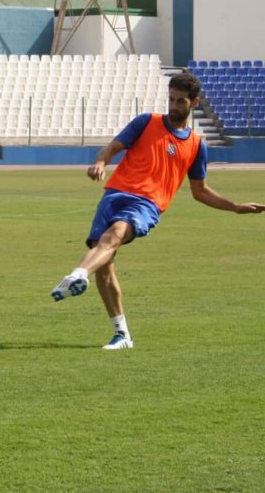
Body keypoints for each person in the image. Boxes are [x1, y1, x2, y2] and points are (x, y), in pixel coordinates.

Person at [51, 72, 264, 350]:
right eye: (171, 99)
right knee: (104, 264)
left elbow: (199, 191)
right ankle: (122, 334)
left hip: (147, 204)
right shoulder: (146, 122)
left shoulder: (197, 145)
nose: (173, 106)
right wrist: (101, 163)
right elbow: (113, 147)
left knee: (113, 235)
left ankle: (78, 274)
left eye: (180, 101)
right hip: (114, 195)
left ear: (194, 102)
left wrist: (235, 207)